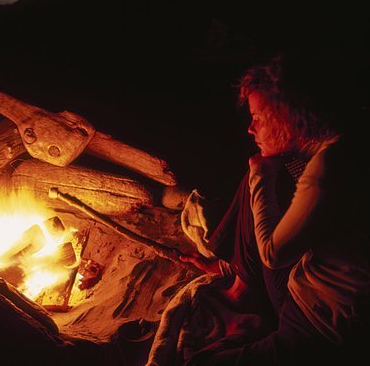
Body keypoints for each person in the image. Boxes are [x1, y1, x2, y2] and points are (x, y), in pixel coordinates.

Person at [149, 55, 369, 365]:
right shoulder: (342, 146)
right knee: (260, 172)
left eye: (259, 117)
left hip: (317, 322)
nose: (251, 128)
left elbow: (272, 255)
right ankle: (237, 278)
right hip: (304, 288)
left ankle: (245, 302)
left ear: (290, 112)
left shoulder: (328, 168)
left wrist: (261, 175)